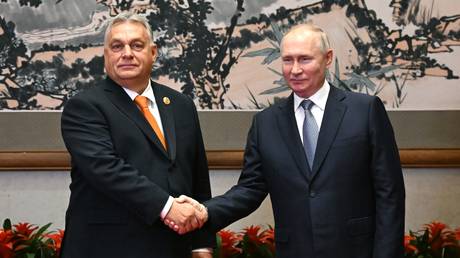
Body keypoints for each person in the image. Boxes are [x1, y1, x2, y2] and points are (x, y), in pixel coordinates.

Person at [173, 24, 406, 258]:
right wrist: (205, 211)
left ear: (328, 58)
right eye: (287, 60)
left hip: (356, 250)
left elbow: (390, 194)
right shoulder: (265, 123)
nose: (294, 70)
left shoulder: (364, 111)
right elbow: (250, 189)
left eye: (304, 59)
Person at [60, 12, 214, 258]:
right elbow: (106, 169)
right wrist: (168, 207)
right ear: (106, 55)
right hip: (107, 248)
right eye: (117, 46)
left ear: (153, 52)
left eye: (137, 45)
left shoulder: (181, 104)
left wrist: (201, 245)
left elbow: (197, 179)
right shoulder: (84, 107)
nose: (127, 53)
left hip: (173, 249)